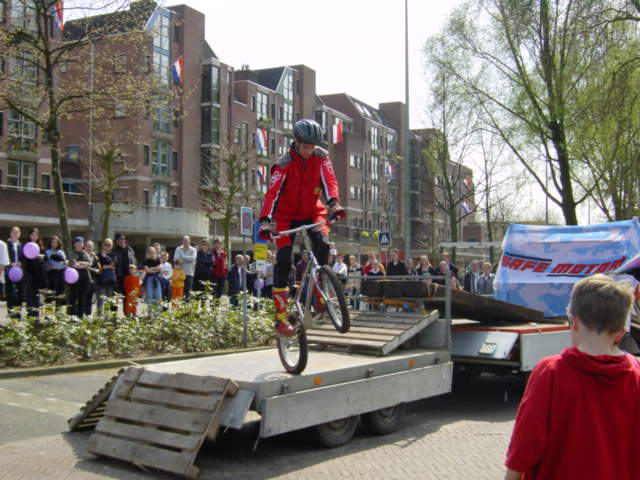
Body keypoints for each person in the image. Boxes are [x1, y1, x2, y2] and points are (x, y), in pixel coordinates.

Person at [504, 274, 640, 480]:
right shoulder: (636, 374)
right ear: (621, 332)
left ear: (574, 322)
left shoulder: (550, 372)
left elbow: (525, 445)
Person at [258, 119, 346, 336]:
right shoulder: (284, 164)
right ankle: (280, 318)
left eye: (312, 147)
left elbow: (330, 181)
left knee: (322, 246)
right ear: (296, 143)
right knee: (283, 261)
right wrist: (265, 221)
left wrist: (334, 203)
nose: (308, 151)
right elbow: (272, 194)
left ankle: (319, 294)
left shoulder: (321, 156)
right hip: (286, 217)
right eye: (305, 147)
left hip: (313, 212)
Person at [23, 227, 48, 318]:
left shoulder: (41, 247)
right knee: (30, 297)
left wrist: (41, 256)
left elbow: (46, 259)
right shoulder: (26, 246)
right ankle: (30, 316)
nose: (34, 237)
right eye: (32, 235)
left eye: (36, 235)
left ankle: (37, 317)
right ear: (29, 236)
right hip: (30, 274)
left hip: (39, 275)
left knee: (37, 298)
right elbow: (24, 259)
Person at [68, 237, 92, 316]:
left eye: (81, 244)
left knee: (82, 297)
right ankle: (72, 315)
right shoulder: (72, 253)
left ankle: (80, 315)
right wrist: (84, 265)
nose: (79, 245)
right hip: (74, 278)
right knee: (74, 296)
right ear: (74, 244)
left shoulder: (85, 253)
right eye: (78, 244)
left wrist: (80, 262)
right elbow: (75, 265)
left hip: (84, 277)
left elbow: (90, 263)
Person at [95, 238, 117, 314]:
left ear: (112, 246)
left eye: (109, 245)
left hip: (110, 280)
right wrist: (107, 266)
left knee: (108, 300)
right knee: (100, 300)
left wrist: (105, 265)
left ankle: (107, 317)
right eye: (105, 244)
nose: (107, 246)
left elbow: (114, 266)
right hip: (100, 280)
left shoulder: (113, 255)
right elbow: (98, 266)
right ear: (103, 245)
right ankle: (99, 317)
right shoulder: (98, 255)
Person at [5, 226, 24, 317]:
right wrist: (10, 263)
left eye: (17, 233)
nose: (16, 235)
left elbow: (23, 257)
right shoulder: (6, 244)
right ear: (10, 233)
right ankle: (11, 313)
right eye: (14, 233)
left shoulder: (21, 245)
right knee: (11, 293)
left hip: (19, 272)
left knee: (20, 293)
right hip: (9, 271)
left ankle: (18, 313)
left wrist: (21, 263)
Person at [45, 235, 67, 305]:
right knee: (50, 294)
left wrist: (57, 266)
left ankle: (58, 310)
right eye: (52, 242)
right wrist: (58, 265)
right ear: (50, 243)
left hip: (60, 274)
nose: (54, 244)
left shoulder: (61, 252)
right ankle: (48, 311)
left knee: (60, 294)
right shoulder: (47, 252)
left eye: (55, 242)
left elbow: (65, 264)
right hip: (51, 274)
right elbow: (48, 264)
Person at [174, 235, 197, 299]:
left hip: (189, 273)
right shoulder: (178, 249)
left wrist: (182, 257)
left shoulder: (193, 250)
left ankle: (187, 304)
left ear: (189, 241)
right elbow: (176, 260)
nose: (185, 242)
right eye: (184, 240)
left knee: (188, 292)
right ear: (182, 241)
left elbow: (192, 259)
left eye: (187, 240)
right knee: (179, 292)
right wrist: (187, 258)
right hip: (179, 273)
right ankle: (179, 304)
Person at [83, 240, 100, 315]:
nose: (89, 248)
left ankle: (88, 315)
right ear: (84, 246)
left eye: (91, 247)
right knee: (82, 298)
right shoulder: (82, 255)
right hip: (83, 280)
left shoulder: (94, 257)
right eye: (88, 246)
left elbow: (98, 269)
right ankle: (81, 315)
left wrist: (93, 270)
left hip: (92, 281)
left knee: (89, 299)